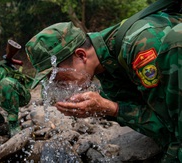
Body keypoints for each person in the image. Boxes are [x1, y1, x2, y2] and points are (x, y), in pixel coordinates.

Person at [25, 6, 182, 162]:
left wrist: (110, 108)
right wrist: (102, 109)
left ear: (81, 55)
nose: (60, 86)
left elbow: (172, 131)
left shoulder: (140, 47)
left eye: (59, 78)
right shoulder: (105, 64)